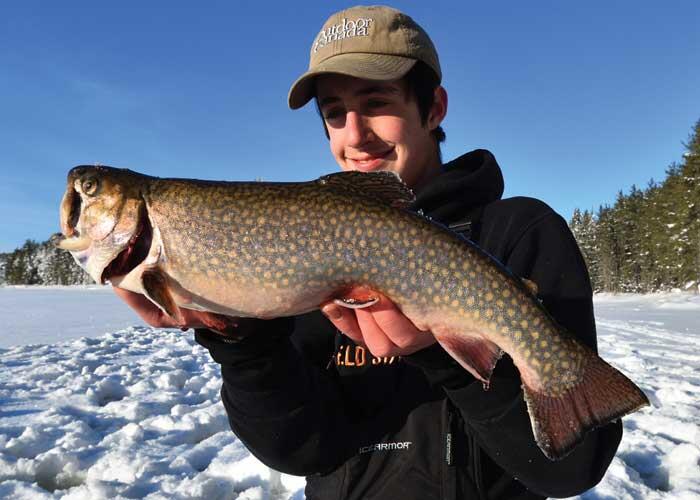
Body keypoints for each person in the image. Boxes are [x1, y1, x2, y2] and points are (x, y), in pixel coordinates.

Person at [115, 5, 622, 499]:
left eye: (376, 103)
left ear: (434, 108)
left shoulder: (518, 231)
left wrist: (440, 354)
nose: (354, 135)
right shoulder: (306, 244)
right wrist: (240, 340)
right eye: (335, 114)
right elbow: (301, 450)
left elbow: (570, 471)